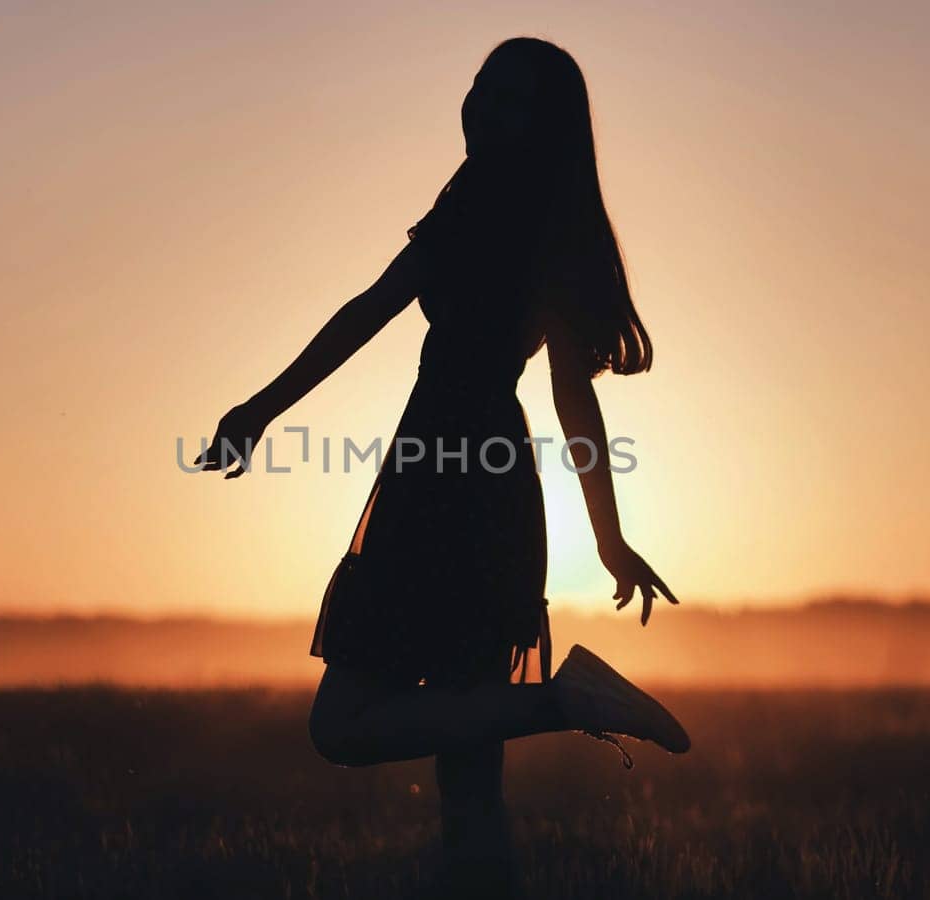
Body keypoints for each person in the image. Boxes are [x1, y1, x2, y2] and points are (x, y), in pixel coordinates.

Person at [193, 36, 689, 897]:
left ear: (542, 127)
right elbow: (573, 400)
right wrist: (608, 539)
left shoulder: (484, 205)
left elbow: (370, 311)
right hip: (491, 481)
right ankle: (560, 712)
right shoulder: (545, 219)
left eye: (509, 101)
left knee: (343, 728)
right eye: (480, 91)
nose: (483, 110)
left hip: (440, 480)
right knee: (470, 790)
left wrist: (259, 412)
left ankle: (561, 704)